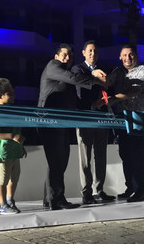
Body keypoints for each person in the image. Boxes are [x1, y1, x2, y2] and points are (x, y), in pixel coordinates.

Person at [38, 43, 106, 210]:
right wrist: (94, 77)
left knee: (58, 161)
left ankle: (50, 198)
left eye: (70, 56)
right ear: (56, 57)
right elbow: (74, 78)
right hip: (50, 122)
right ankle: (56, 200)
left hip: (61, 123)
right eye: (64, 55)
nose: (67, 58)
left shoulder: (64, 76)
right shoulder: (53, 66)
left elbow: (73, 99)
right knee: (57, 161)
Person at [97, 45, 144, 203]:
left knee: (138, 153)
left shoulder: (143, 70)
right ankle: (131, 187)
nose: (128, 58)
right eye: (124, 55)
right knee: (125, 153)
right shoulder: (118, 71)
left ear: (136, 56)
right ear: (120, 57)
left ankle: (141, 189)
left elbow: (134, 90)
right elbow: (106, 82)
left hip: (139, 117)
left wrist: (112, 99)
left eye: (131, 55)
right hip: (122, 117)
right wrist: (94, 73)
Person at [71, 40, 115, 204]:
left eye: (95, 51)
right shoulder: (78, 69)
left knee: (101, 155)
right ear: (83, 53)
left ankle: (100, 190)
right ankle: (86, 192)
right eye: (89, 51)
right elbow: (79, 82)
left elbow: (108, 87)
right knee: (85, 156)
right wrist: (93, 76)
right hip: (84, 117)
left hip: (101, 116)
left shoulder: (103, 70)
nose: (92, 54)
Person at [0, 78, 27, 215]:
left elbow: (17, 132)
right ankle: (2, 205)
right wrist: (12, 136)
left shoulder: (13, 110)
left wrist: (21, 146)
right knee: (1, 180)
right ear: (0, 96)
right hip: (2, 153)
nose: (13, 97)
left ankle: (10, 200)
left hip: (14, 152)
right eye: (9, 94)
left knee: (14, 179)